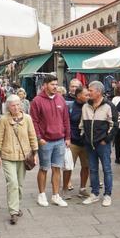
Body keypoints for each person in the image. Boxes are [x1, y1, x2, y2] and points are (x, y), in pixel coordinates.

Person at [0, 95, 38, 225]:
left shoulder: (27, 118)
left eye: (18, 104)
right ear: (8, 106)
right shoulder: (4, 119)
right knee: (12, 183)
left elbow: (32, 136)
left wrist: (35, 153)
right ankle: (13, 211)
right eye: (13, 105)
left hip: (24, 156)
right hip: (8, 156)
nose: (16, 107)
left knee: (19, 184)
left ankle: (17, 205)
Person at [29, 75, 71, 207]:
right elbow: (33, 121)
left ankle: (55, 195)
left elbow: (66, 119)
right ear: (45, 85)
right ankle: (41, 195)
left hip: (60, 140)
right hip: (45, 141)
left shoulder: (60, 99)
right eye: (52, 84)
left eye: (56, 84)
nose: (55, 87)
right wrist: (39, 138)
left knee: (57, 168)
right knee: (44, 168)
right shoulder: (37, 101)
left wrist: (68, 137)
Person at [79, 81, 116, 206]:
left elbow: (115, 124)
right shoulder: (85, 106)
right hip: (89, 144)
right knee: (93, 169)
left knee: (107, 169)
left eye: (90, 90)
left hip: (103, 144)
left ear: (98, 92)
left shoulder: (109, 106)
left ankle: (107, 195)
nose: (88, 93)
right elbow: (82, 124)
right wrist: (84, 137)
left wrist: (106, 139)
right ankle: (94, 193)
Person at [65, 85, 91, 197]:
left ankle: (83, 188)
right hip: (73, 142)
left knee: (86, 166)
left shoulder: (90, 106)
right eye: (86, 95)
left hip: (86, 142)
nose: (88, 96)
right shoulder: (70, 107)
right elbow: (66, 123)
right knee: (68, 166)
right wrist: (67, 138)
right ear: (78, 95)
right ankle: (65, 189)